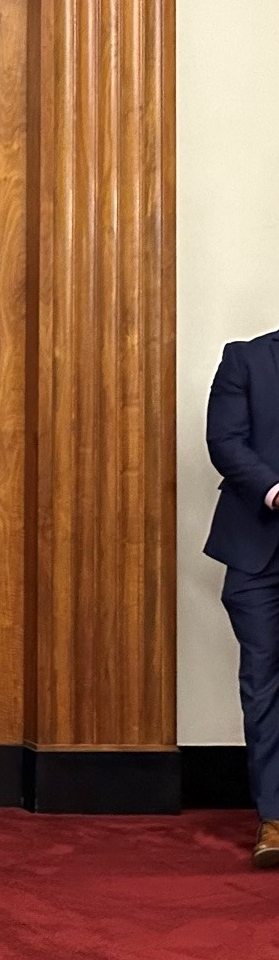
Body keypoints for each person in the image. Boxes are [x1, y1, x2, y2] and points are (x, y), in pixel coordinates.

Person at [205, 328, 279, 868]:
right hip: (259, 554)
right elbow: (225, 442)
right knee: (263, 680)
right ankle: (274, 818)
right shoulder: (246, 359)